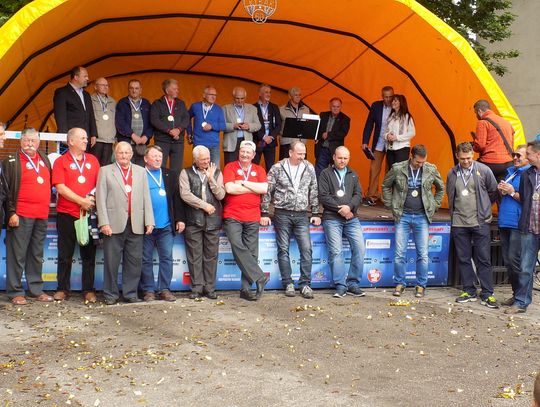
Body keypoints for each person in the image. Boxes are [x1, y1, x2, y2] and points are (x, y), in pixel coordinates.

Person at [382, 144, 445, 298]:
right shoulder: (398, 168)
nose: (421, 165)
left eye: (423, 161)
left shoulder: (431, 169)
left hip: (422, 216)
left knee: (423, 254)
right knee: (399, 253)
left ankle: (421, 285)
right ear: (411, 157)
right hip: (402, 215)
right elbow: (386, 186)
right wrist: (391, 205)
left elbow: (441, 188)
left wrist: (435, 205)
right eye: (418, 162)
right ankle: (400, 283)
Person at [96, 142, 154, 305]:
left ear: (131, 154)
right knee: (111, 262)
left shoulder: (141, 171)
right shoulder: (105, 171)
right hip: (113, 224)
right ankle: (110, 294)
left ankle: (130, 293)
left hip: (136, 223)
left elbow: (146, 197)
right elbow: (100, 199)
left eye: (127, 152)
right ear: (115, 154)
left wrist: (149, 221)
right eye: (120, 152)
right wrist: (104, 222)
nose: (124, 155)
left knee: (134, 262)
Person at [261, 140, 321, 299]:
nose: (302, 157)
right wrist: (264, 212)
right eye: (299, 154)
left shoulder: (309, 167)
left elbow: (314, 190)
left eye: (304, 154)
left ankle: (305, 284)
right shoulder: (277, 167)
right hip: (282, 214)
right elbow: (267, 190)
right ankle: (288, 283)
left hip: (302, 214)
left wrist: (315, 212)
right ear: (290, 153)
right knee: (283, 249)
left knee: (306, 249)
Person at [2, 128, 53, 305]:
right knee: (17, 255)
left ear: (38, 142)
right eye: (26, 140)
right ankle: (15, 291)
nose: (30, 144)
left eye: (33, 141)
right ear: (20, 141)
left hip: (41, 214)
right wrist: (11, 213)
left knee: (36, 254)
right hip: (21, 214)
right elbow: (6, 190)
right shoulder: (11, 161)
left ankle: (35, 290)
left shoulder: (44, 159)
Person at [446, 142, 499, 308]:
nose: (466, 161)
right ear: (457, 156)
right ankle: (469, 290)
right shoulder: (452, 173)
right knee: (463, 258)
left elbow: (493, 190)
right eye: (462, 158)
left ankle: (487, 293)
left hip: (480, 221)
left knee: (483, 258)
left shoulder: (483, 170)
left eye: (469, 158)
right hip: (459, 222)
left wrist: (485, 208)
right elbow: (450, 194)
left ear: (473, 155)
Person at [52, 128, 101, 302]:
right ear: (71, 141)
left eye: (86, 138)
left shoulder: (93, 160)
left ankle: (88, 289)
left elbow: (100, 184)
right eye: (82, 138)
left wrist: (91, 199)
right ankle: (62, 289)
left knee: (89, 254)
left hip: (88, 214)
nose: (86, 141)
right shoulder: (60, 161)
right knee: (65, 254)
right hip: (67, 213)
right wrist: (81, 201)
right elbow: (60, 188)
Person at [223, 140, 269, 301]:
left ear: (253, 155)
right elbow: (229, 188)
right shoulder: (230, 167)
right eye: (242, 151)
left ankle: (246, 289)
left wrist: (243, 182)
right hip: (232, 215)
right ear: (239, 152)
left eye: (248, 152)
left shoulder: (259, 169)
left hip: (253, 216)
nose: (244, 154)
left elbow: (263, 189)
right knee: (237, 245)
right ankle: (260, 277)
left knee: (251, 253)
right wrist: (253, 188)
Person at [140, 145, 186, 302]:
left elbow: (176, 198)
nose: (158, 159)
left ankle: (164, 289)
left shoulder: (170, 174)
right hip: (145, 226)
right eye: (154, 156)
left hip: (166, 225)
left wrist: (180, 219)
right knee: (145, 259)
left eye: (160, 156)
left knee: (166, 257)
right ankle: (148, 290)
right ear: (146, 159)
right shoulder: (139, 174)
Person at [318, 146, 365, 298]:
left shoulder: (353, 174)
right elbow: (323, 196)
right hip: (332, 218)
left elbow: (358, 195)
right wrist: (341, 209)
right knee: (336, 251)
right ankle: (340, 285)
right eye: (340, 158)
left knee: (360, 249)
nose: (342, 161)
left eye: (345, 158)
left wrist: (349, 207)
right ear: (334, 157)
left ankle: (353, 284)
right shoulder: (325, 173)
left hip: (351, 218)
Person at [179, 145, 225, 300]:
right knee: (194, 256)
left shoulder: (217, 172)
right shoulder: (185, 173)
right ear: (195, 159)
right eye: (203, 159)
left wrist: (211, 179)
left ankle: (210, 288)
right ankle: (197, 288)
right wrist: (204, 205)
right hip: (193, 220)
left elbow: (221, 195)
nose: (206, 162)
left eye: (208, 158)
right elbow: (185, 194)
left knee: (211, 256)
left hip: (213, 221)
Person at [496, 145, 529, 313]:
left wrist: (510, 192)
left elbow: (529, 199)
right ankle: (517, 295)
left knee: (515, 262)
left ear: (528, 158)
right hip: (505, 222)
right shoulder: (511, 172)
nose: (515, 158)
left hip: (518, 223)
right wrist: (503, 191)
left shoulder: (529, 174)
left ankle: (522, 299)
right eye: (514, 154)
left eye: (519, 155)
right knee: (509, 262)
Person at [513, 140, 540, 314]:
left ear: (538, 154)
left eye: (528, 154)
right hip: (529, 227)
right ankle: (521, 302)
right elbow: (524, 198)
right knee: (525, 267)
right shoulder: (526, 174)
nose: (526, 157)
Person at [362, 86, 394, 206]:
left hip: (392, 144)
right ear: (382, 96)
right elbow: (369, 124)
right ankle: (372, 196)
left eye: (390, 97)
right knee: (374, 169)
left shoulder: (397, 106)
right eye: (386, 97)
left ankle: (387, 198)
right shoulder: (376, 106)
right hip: (379, 142)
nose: (388, 99)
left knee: (390, 171)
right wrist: (365, 141)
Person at [53, 66, 97, 151]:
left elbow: (91, 114)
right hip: (70, 138)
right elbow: (60, 116)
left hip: (85, 138)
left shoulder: (86, 94)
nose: (87, 79)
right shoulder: (62, 92)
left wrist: (93, 134)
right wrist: (64, 136)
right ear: (76, 77)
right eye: (85, 76)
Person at [150, 79, 190, 172]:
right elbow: (154, 120)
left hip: (178, 141)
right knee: (159, 166)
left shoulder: (181, 103)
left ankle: (174, 182)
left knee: (177, 169)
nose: (177, 91)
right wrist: (169, 131)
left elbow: (186, 118)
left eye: (177, 89)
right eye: (175, 89)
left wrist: (178, 130)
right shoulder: (157, 104)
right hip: (162, 140)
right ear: (167, 91)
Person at [472, 99, 515, 182]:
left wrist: (474, 146)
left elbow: (480, 145)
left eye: (475, 113)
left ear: (479, 111)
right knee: (502, 188)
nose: (476, 116)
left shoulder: (483, 122)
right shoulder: (506, 122)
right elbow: (511, 143)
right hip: (508, 163)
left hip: (490, 163)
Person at [115, 79, 154, 166]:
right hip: (127, 142)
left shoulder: (146, 103)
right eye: (131, 88)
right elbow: (120, 122)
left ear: (140, 90)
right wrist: (132, 135)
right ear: (128, 89)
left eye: (136, 88)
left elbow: (152, 122)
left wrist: (146, 136)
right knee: (126, 167)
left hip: (142, 143)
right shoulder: (122, 103)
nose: (134, 90)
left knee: (140, 169)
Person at [187, 86, 226, 167]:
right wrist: (189, 132)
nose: (213, 97)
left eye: (215, 95)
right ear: (204, 95)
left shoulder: (218, 109)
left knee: (214, 170)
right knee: (197, 169)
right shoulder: (195, 106)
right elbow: (187, 118)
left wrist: (212, 126)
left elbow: (223, 126)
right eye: (211, 94)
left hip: (213, 145)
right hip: (198, 143)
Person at [222, 87, 261, 165]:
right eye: (237, 98)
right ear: (233, 97)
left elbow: (258, 125)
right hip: (231, 143)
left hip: (246, 142)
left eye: (242, 98)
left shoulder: (252, 108)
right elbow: (221, 125)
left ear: (245, 97)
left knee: (246, 166)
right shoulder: (225, 108)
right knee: (230, 167)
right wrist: (233, 126)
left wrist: (249, 126)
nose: (240, 101)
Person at [315, 98, 351, 177]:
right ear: (330, 106)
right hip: (322, 149)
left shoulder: (345, 119)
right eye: (333, 106)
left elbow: (342, 133)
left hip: (335, 151)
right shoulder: (323, 115)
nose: (335, 108)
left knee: (335, 174)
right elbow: (317, 128)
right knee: (319, 173)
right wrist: (317, 137)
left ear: (341, 107)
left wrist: (328, 135)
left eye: (338, 107)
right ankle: (319, 185)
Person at [253, 84, 282, 172]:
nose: (268, 94)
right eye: (266, 92)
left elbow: (279, 124)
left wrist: (271, 136)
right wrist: (263, 137)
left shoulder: (274, 107)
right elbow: (252, 125)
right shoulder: (253, 107)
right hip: (259, 140)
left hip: (270, 141)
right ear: (259, 93)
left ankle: (269, 181)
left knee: (270, 168)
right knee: (254, 165)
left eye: (269, 92)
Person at [278, 87, 310, 160]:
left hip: (301, 143)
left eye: (299, 95)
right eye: (296, 95)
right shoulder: (281, 110)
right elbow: (278, 127)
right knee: (286, 165)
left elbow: (308, 126)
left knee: (301, 165)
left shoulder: (306, 109)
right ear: (290, 96)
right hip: (287, 143)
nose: (298, 97)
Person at [384, 94, 415, 170]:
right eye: (392, 101)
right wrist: (387, 136)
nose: (393, 102)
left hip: (402, 149)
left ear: (401, 103)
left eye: (395, 101)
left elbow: (412, 132)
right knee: (391, 172)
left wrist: (397, 137)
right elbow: (385, 131)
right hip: (390, 149)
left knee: (400, 172)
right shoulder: (391, 116)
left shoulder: (407, 116)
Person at [90, 77, 116, 166]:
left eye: (107, 85)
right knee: (94, 165)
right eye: (102, 85)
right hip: (96, 139)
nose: (105, 87)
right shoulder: (90, 99)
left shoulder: (112, 101)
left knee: (106, 166)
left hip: (109, 140)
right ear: (95, 87)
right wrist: (92, 135)